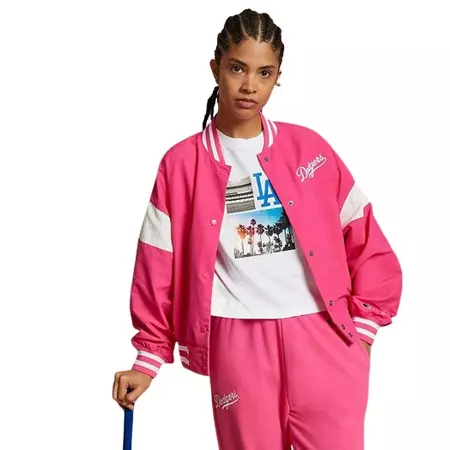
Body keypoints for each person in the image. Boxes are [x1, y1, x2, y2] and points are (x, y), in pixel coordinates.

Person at [112, 8, 402, 450]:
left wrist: (362, 331)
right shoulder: (181, 166)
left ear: (278, 77)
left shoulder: (309, 150)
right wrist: (147, 358)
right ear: (216, 68)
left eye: (264, 73)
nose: (250, 85)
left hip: (323, 337)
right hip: (238, 342)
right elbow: (157, 266)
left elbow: (364, 237)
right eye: (237, 68)